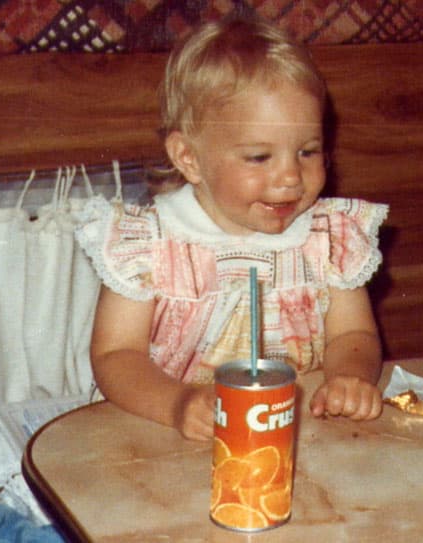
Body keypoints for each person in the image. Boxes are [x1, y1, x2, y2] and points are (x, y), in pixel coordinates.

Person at [75, 15, 388, 441]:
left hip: (289, 430)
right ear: (189, 158)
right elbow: (116, 355)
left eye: (308, 151)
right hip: (162, 426)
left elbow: (354, 333)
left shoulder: (328, 237)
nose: (291, 177)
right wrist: (177, 404)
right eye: (260, 157)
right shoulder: (148, 242)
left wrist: (350, 377)